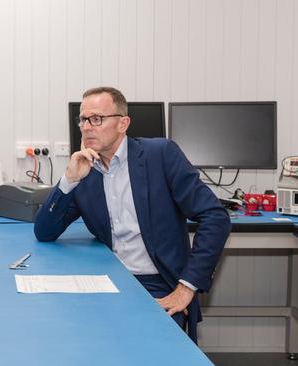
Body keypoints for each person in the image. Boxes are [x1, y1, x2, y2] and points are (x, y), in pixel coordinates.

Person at [34, 86, 230, 343]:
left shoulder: (160, 155)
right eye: (82, 120)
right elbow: (44, 232)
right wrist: (69, 179)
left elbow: (216, 217)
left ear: (123, 123)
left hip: (157, 284)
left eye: (97, 119)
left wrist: (186, 288)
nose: (86, 127)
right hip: (106, 282)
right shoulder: (86, 171)